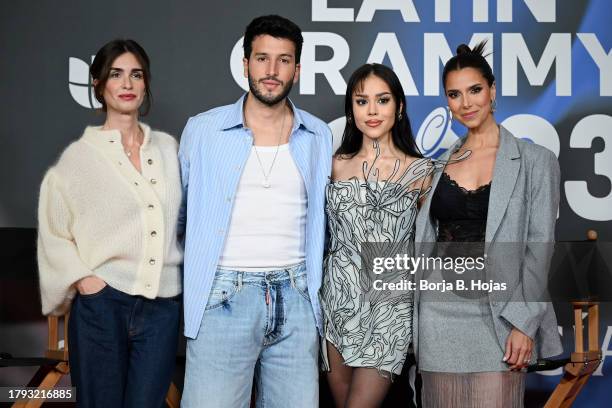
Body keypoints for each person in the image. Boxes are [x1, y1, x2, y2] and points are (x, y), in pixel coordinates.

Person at [179, 15, 332, 408]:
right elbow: (177, 218)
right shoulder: (203, 130)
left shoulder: (318, 134)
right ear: (245, 64)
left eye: (284, 60)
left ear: (297, 69)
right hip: (223, 297)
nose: (272, 71)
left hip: (297, 299)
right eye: (262, 59)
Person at [413, 41, 563, 407]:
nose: (466, 103)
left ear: (492, 91)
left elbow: (539, 245)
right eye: (454, 94)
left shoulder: (536, 161)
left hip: (501, 318)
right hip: (438, 317)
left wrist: (523, 322)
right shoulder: (434, 168)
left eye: (475, 90)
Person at [37, 39, 183, 407]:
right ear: (99, 85)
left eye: (136, 75)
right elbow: (54, 232)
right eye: (116, 75)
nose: (127, 84)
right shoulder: (80, 156)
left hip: (162, 309)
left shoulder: (168, 149)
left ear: (146, 83)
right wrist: (88, 284)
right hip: (103, 305)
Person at [321, 63, 434, 407]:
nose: (371, 111)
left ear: (399, 107)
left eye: (382, 100)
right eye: (361, 101)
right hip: (337, 304)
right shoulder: (334, 163)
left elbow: (431, 250)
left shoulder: (423, 171)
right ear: (351, 109)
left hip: (389, 307)